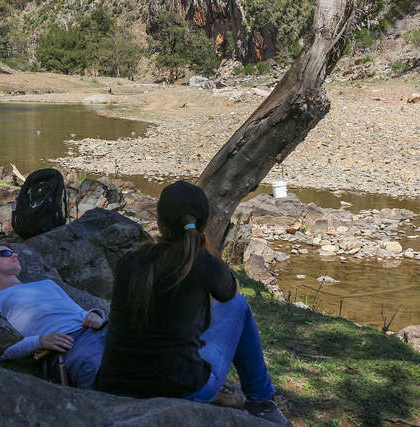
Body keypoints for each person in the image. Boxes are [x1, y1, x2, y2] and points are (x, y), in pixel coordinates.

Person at [95, 181, 290, 425]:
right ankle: (261, 401)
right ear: (204, 223)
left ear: (159, 222)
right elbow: (232, 293)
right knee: (238, 306)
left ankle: (244, 397)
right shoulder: (203, 262)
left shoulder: (129, 262)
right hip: (183, 388)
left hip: (115, 384)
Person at [0, 243, 107, 389]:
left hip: (99, 329)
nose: (15, 255)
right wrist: (39, 341)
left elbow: (78, 311)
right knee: (99, 370)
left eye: (14, 253)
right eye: (6, 253)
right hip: (68, 343)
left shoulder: (47, 284)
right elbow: (1, 350)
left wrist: (95, 314)